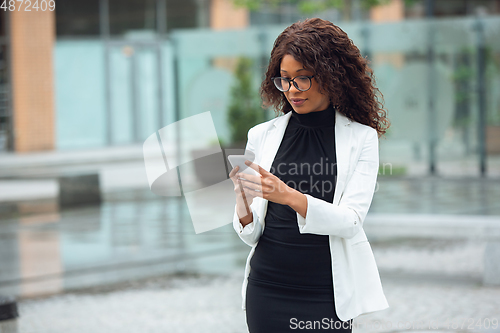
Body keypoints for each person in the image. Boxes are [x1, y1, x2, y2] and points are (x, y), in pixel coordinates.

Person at [229, 18, 391, 333]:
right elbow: (249, 234)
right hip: (266, 288)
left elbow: (351, 221)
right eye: (284, 79)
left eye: (301, 79)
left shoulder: (361, 138)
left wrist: (286, 195)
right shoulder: (261, 135)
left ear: (331, 76)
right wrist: (242, 203)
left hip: (326, 293)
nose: (291, 90)